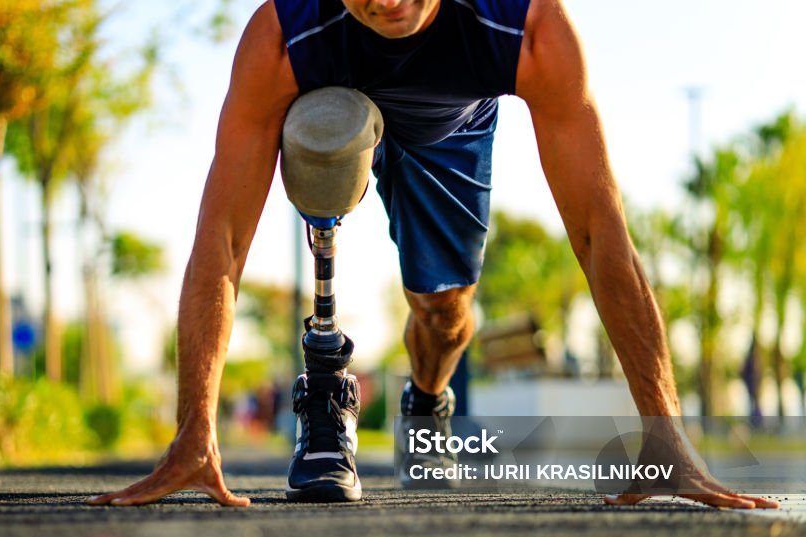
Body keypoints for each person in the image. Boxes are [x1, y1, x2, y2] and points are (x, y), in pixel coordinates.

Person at [87, 0, 779, 510]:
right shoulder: (284, 33)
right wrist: (193, 431)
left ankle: (425, 404)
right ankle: (325, 388)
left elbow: (601, 233)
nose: (388, 1)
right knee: (321, 136)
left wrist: (665, 432)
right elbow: (224, 239)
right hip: (332, 106)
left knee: (445, 313)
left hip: (450, 129)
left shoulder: (527, 26)